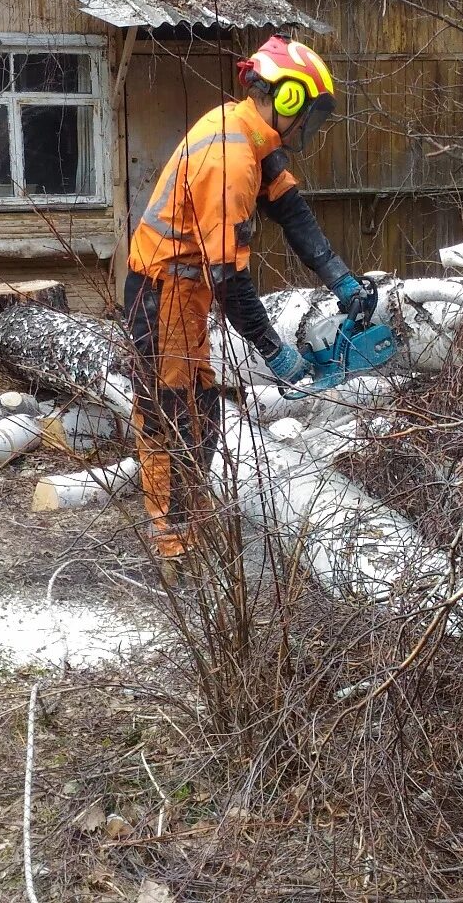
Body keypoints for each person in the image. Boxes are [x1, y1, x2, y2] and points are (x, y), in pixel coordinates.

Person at [124, 33, 377, 583]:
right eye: (309, 110)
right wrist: (275, 352)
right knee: (175, 413)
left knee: (201, 410)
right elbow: (230, 279)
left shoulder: (250, 135)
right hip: (163, 290)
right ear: (286, 99)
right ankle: (173, 545)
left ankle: (188, 523)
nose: (311, 122)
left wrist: (341, 279)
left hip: (184, 290)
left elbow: (293, 211)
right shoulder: (230, 155)